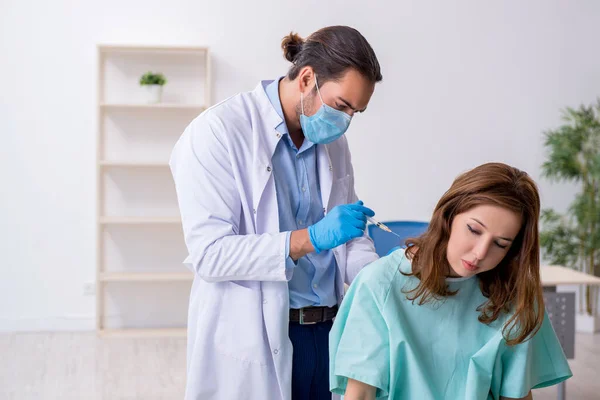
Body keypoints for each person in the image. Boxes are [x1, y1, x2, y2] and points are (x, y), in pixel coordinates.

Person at [169, 26, 383, 400]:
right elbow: (210, 255)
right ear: (306, 79)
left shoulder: (332, 142)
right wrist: (309, 239)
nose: (346, 121)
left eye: (356, 112)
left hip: (329, 332)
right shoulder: (218, 132)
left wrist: (379, 275)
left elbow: (348, 237)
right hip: (259, 334)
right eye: (341, 105)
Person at [329, 163, 573, 400]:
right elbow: (359, 393)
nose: (480, 252)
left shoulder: (514, 299)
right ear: (450, 215)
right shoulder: (379, 283)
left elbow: (516, 394)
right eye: (474, 230)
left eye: (500, 244)